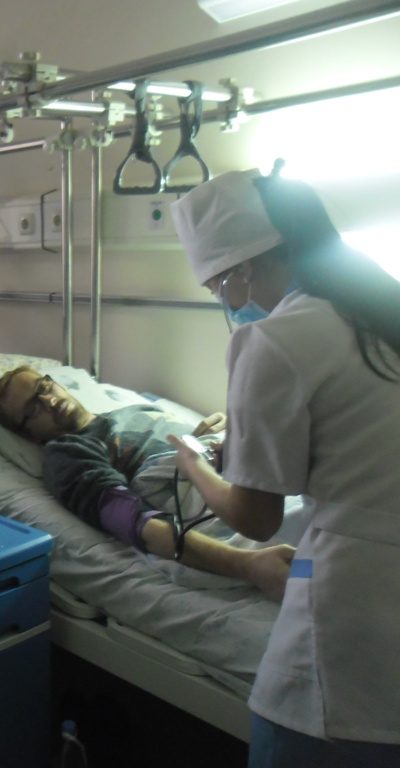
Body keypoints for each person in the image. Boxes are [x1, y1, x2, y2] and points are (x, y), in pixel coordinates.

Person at [168, 170, 400, 767]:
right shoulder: (379, 311)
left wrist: (194, 465)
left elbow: (256, 519)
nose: (227, 302)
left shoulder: (273, 340)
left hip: (355, 604)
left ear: (242, 269)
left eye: (218, 286)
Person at [0, 365, 295, 599]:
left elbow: (185, 452)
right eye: (33, 408)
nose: (50, 401)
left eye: (44, 387)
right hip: (232, 510)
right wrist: (248, 565)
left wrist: (214, 436)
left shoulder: (135, 409)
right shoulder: (67, 454)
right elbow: (136, 522)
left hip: (244, 481)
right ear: (30, 435)